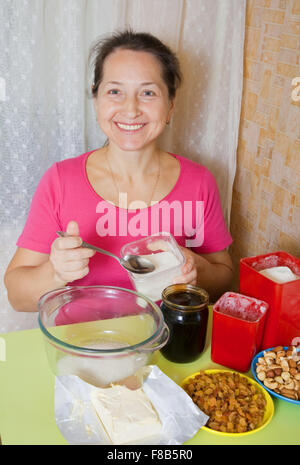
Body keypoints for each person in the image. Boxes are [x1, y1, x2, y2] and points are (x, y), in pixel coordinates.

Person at [4, 30, 233, 315]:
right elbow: (16, 295)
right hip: (83, 346)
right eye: (115, 91)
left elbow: (224, 279)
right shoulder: (61, 181)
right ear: (97, 100)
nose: (131, 108)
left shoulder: (199, 182)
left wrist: (195, 268)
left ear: (170, 106)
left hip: (169, 344)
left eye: (148, 93)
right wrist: (55, 272)